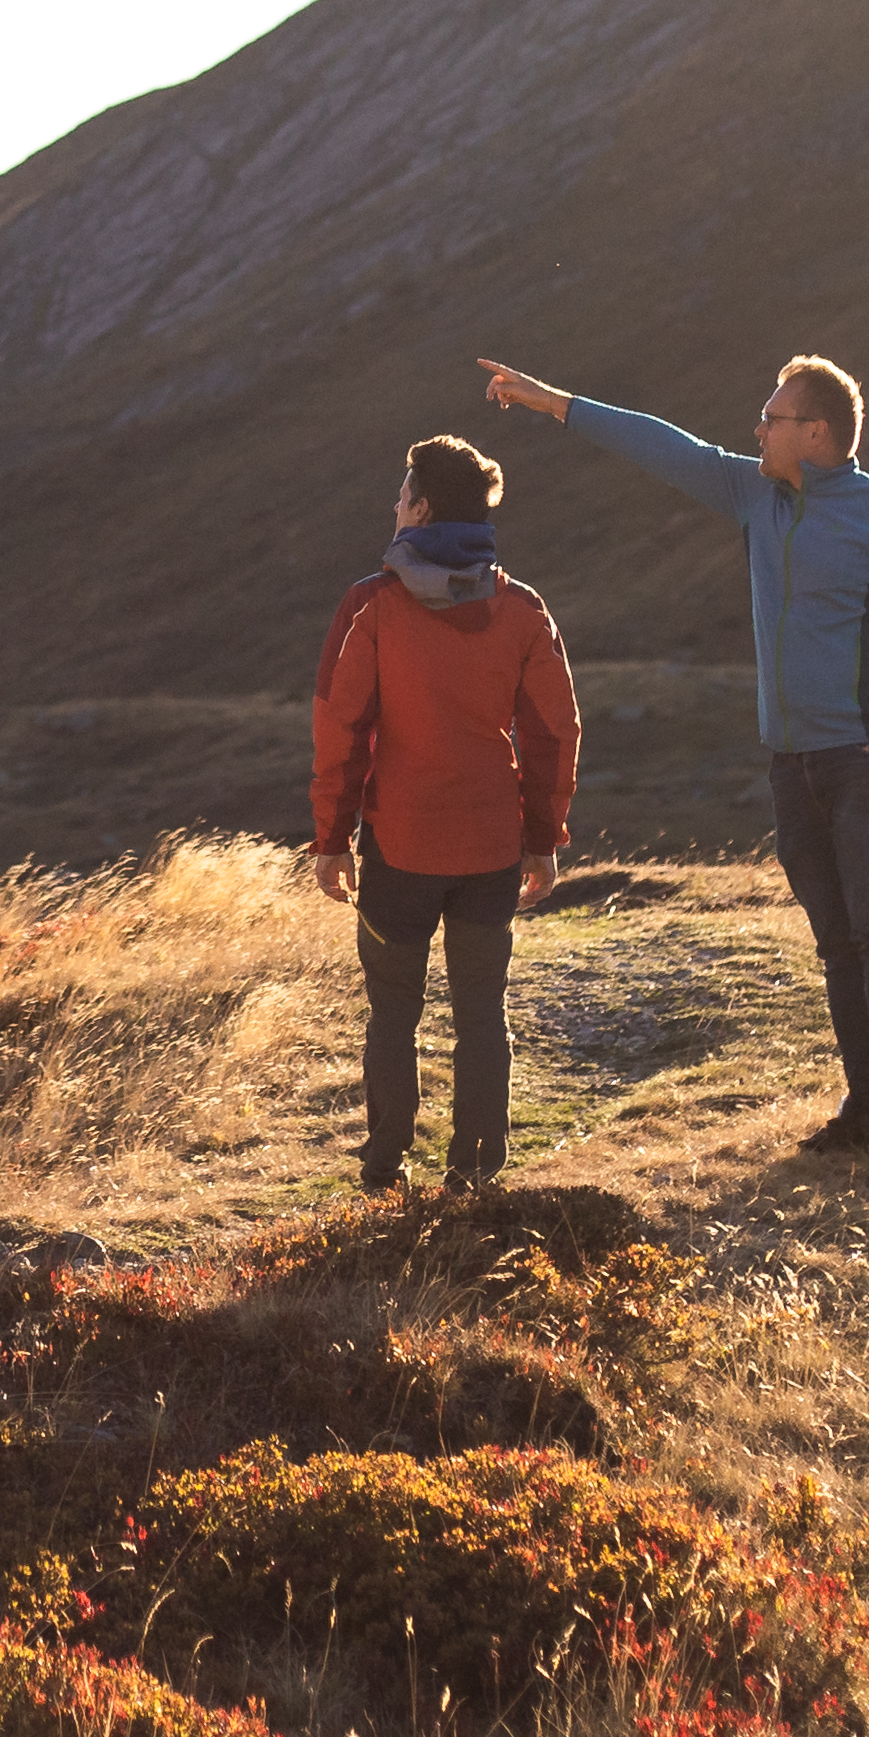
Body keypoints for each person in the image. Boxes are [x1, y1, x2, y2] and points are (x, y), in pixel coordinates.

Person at [477, 352, 869, 1191]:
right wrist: (557, 404)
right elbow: (667, 448)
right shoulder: (757, 495)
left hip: (867, 762)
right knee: (839, 941)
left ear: (815, 432)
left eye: (771, 418)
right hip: (794, 763)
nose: (757, 429)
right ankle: (866, 1104)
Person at [306, 432, 583, 1196]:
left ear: (421, 508)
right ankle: (476, 1172)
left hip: (400, 844)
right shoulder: (523, 608)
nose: (392, 508)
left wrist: (332, 839)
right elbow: (555, 731)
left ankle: (384, 1167)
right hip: (491, 844)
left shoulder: (372, 605)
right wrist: (542, 836)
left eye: (400, 497)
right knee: (481, 1010)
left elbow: (340, 724)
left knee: (393, 1007)